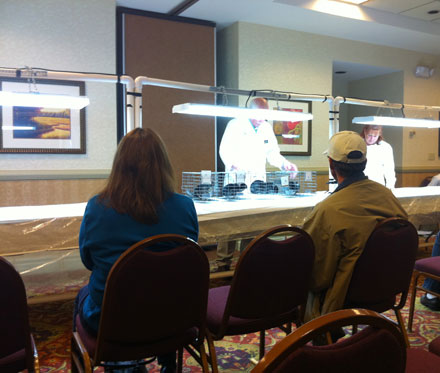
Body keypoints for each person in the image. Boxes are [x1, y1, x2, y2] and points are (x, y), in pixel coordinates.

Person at [74, 128, 198, 373]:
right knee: (161, 289)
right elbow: (188, 261)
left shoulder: (97, 207)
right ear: (163, 164)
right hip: (174, 316)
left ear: (119, 164)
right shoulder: (185, 206)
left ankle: (117, 364)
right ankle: (168, 361)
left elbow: (88, 261)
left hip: (112, 321)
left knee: (83, 295)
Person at [302, 131, 407, 325]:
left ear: (331, 165)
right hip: (388, 287)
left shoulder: (327, 210)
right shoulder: (388, 197)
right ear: (365, 163)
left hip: (346, 296)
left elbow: (316, 276)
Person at [213, 97, 298, 272]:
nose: (262, 119)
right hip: (236, 180)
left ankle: (246, 262)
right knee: (229, 222)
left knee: (251, 222)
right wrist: (233, 164)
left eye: (265, 116)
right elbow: (224, 150)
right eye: (259, 115)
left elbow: (273, 153)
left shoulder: (266, 128)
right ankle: (223, 264)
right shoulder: (235, 124)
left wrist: (285, 164)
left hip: (258, 182)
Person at [360, 125, 396, 189]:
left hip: (378, 185)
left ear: (379, 134)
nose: (372, 139)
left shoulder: (385, 147)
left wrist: (390, 188)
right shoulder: (357, 144)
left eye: (375, 136)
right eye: (370, 135)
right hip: (360, 185)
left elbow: (389, 171)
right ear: (365, 131)